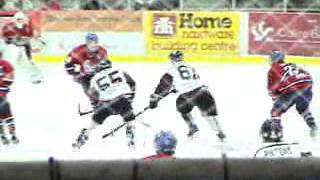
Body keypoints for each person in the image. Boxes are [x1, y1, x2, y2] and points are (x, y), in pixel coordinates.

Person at [149, 51, 226, 141]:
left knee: (182, 109)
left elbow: (163, 86)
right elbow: (191, 81)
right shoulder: (190, 67)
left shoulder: (172, 70)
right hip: (203, 92)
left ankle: (192, 126)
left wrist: (155, 100)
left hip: (187, 96)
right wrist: (177, 88)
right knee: (209, 116)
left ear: (172, 59)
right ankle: (220, 133)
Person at [72, 59, 136, 149]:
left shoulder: (94, 79)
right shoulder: (120, 71)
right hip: (122, 101)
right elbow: (132, 83)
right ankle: (130, 138)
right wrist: (130, 98)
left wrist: (96, 106)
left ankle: (83, 138)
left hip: (106, 105)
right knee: (130, 119)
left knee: (93, 123)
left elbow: (92, 95)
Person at [260, 50, 317, 142]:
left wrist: (277, 99)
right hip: (307, 84)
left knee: (275, 111)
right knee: (303, 109)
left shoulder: (273, 68)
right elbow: (305, 75)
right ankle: (314, 128)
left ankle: (275, 134)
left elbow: (272, 90)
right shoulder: (292, 65)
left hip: (293, 87)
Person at [64, 33, 108, 107]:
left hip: (98, 73)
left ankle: (108, 98)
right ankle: (94, 101)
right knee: (88, 88)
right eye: (91, 42)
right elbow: (68, 61)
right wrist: (71, 70)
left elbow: (107, 64)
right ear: (87, 43)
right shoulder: (78, 51)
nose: (93, 45)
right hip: (83, 74)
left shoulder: (102, 51)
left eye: (95, 42)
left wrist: (103, 68)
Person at [2, 11, 43, 84]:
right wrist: (10, 40)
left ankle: (34, 76)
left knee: (29, 62)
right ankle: (4, 76)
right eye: (18, 19)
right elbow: (3, 38)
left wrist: (34, 44)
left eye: (21, 19)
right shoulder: (8, 27)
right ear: (15, 19)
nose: (20, 21)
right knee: (8, 62)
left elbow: (31, 38)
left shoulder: (28, 28)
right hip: (12, 47)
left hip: (24, 48)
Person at [0, 52, 19, 145]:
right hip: (3, 94)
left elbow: (9, 80)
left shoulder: (5, 64)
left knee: (4, 114)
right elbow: (9, 80)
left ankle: (4, 136)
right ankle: (12, 135)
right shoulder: (5, 64)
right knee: (7, 114)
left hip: (2, 94)